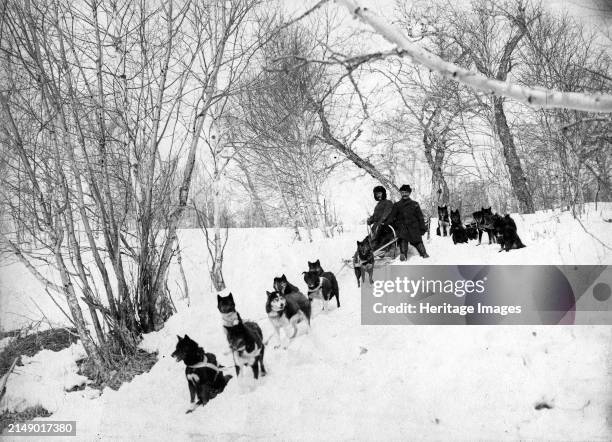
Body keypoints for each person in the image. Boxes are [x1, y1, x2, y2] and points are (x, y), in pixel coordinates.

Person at [387, 184, 429, 260]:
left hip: (414, 227)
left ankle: (424, 254)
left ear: (409, 193)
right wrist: (387, 222)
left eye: (406, 192)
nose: (404, 194)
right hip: (402, 228)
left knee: (418, 241)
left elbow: (420, 217)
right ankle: (403, 254)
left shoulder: (415, 204)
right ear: (400, 193)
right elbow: (392, 216)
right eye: (402, 192)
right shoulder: (397, 205)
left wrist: (422, 228)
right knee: (403, 239)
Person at [367, 185, 394, 250]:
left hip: (385, 227)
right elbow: (375, 216)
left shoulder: (388, 202)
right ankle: (361, 252)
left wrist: (380, 222)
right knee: (368, 239)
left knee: (378, 240)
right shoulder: (378, 205)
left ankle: (377, 251)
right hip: (377, 227)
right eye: (376, 194)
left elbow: (386, 214)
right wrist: (370, 220)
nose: (378, 195)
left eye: (379, 193)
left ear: (383, 193)